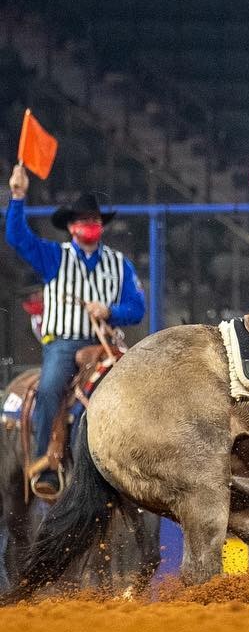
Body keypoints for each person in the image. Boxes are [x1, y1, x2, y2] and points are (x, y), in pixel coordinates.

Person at [5, 174, 145, 498]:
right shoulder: (55, 257)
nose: (90, 225)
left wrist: (110, 311)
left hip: (106, 343)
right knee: (52, 387)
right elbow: (17, 237)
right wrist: (17, 197)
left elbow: (136, 308)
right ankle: (46, 463)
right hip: (64, 343)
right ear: (71, 227)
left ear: (102, 225)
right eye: (84, 220)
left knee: (139, 385)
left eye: (94, 220)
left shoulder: (119, 264)